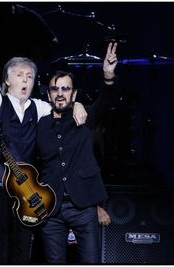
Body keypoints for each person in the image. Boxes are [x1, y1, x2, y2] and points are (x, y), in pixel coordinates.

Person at [0, 17, 86, 264]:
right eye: (19, 75)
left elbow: (61, 105)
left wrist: (76, 103)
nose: (25, 79)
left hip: (26, 188)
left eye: (29, 76)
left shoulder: (38, 107)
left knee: (22, 251)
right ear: (7, 80)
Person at [35, 42, 118, 263]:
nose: (60, 93)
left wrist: (108, 76)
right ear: (48, 94)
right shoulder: (40, 125)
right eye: (55, 89)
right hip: (50, 208)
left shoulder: (84, 117)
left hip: (83, 206)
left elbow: (105, 102)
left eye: (66, 88)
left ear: (73, 93)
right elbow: (21, 150)